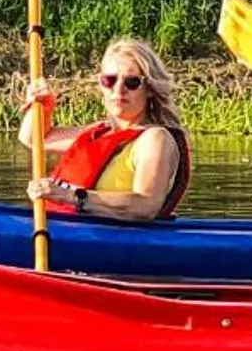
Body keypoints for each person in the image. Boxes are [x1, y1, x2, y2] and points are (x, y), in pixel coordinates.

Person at [21, 36, 192, 223]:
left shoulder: (155, 139)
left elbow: (146, 206)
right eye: (110, 80)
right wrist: (43, 108)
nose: (119, 90)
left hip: (118, 237)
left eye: (132, 82)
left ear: (150, 89)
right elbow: (35, 140)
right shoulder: (100, 132)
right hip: (66, 228)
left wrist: (71, 196)